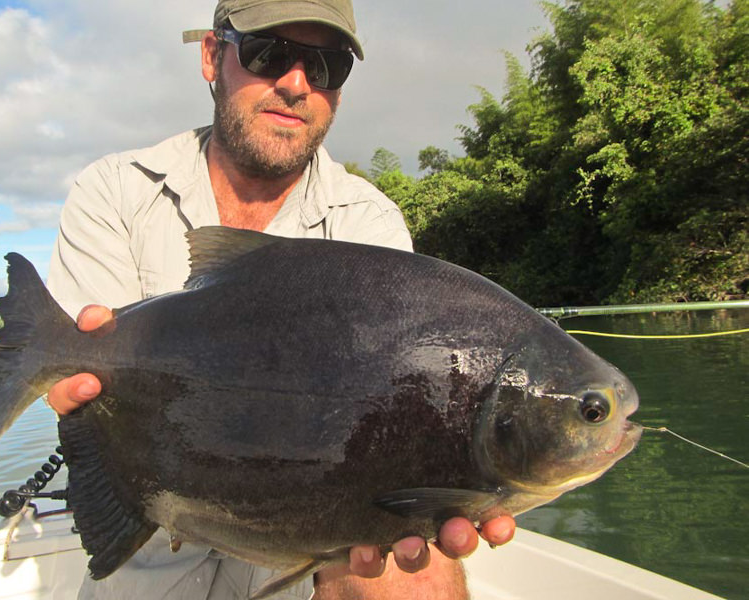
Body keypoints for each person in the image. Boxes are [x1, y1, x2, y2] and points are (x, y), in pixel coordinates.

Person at [44, 1, 515, 598]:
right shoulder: (113, 191)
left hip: (313, 510)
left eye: (325, 66)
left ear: (339, 91)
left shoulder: (369, 222)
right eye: (267, 54)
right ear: (213, 56)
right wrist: (65, 382)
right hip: (158, 509)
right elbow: (88, 393)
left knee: (416, 569)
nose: (295, 84)